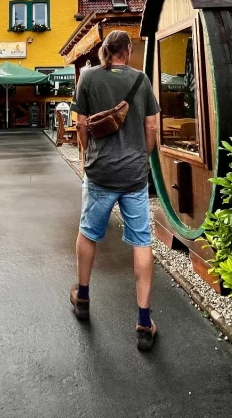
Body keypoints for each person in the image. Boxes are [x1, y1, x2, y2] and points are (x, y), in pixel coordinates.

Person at [69, 30, 161, 351]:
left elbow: (80, 124)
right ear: (129, 50)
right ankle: (144, 321)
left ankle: (82, 296)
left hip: (100, 174)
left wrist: (88, 153)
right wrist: (142, 156)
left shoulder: (88, 77)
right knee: (141, 241)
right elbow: (152, 127)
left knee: (88, 233)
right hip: (134, 177)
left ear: (105, 50)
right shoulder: (142, 80)